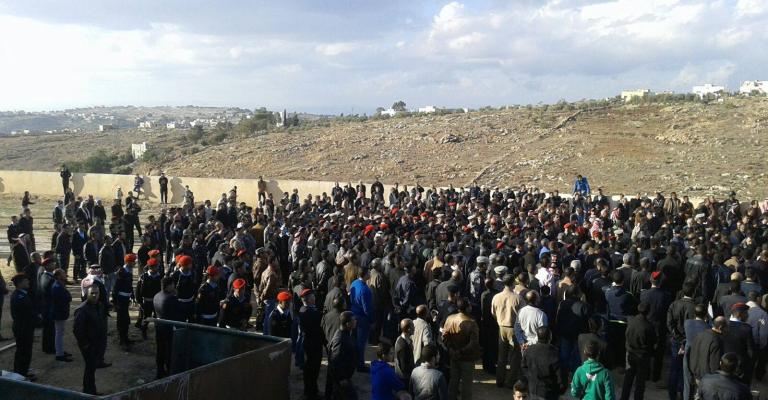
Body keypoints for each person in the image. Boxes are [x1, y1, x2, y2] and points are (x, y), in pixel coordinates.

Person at [442, 297, 480, 400]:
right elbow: (473, 343)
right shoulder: (472, 323)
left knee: (453, 382)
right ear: (467, 308)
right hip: (466, 358)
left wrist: (451, 349)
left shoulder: (450, 319)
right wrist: (461, 351)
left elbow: (444, 337)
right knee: (466, 386)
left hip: (453, 356)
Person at [73, 284, 108, 394]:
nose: (94, 295)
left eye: (96, 293)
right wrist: (85, 345)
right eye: (92, 293)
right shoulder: (82, 310)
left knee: (92, 368)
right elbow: (77, 330)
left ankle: (90, 390)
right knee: (90, 368)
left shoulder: (100, 305)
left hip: (98, 342)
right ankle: (89, 392)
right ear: (87, 294)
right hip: (89, 345)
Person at [492, 273, 523, 387]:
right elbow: (523, 315)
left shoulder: (496, 297)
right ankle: (510, 382)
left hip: (501, 327)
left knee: (501, 356)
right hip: (514, 329)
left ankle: (500, 380)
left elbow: (493, 313)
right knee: (515, 356)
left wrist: (500, 320)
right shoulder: (518, 298)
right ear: (512, 283)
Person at [621, 301, 657, 400]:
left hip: (630, 353)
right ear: (648, 311)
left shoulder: (631, 320)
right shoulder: (648, 326)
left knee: (628, 379)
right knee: (640, 383)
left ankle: (624, 397)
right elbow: (653, 341)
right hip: (642, 357)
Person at [522, 326, 563, 400]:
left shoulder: (529, 350)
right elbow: (559, 374)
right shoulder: (554, 352)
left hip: (532, 389)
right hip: (548, 391)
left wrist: (530, 378)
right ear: (550, 337)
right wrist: (560, 388)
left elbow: (523, 367)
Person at [298, 289, 325, 400]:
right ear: (308, 300)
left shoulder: (303, 309)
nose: (315, 298)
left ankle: (310, 391)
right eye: (313, 297)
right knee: (313, 370)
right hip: (314, 345)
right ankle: (312, 393)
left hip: (308, 344)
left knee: (309, 370)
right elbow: (319, 329)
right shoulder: (312, 314)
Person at [10, 273, 38, 381]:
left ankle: (22, 371)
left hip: (24, 327)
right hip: (23, 328)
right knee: (23, 352)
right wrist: (37, 317)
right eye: (26, 281)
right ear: (20, 283)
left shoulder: (21, 294)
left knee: (24, 351)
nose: (28, 282)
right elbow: (28, 313)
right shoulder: (20, 296)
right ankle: (21, 374)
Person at [154, 276, 182, 379]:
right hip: (168, 328)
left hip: (159, 326)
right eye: (173, 284)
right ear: (169, 285)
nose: (174, 286)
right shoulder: (171, 298)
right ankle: (169, 369)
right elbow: (178, 312)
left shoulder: (156, 296)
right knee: (169, 350)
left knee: (160, 350)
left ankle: (159, 370)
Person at [327, 311, 358, 400]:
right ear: (348, 324)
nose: (356, 321)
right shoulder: (340, 339)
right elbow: (335, 360)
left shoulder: (346, 334)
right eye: (354, 320)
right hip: (341, 379)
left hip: (345, 377)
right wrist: (341, 378)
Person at [689, 316, 727, 390]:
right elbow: (715, 364)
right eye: (726, 327)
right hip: (709, 379)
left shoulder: (700, 334)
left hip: (696, 373)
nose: (727, 329)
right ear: (720, 327)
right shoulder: (717, 341)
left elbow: (692, 353)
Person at [722, 303, 755, 384]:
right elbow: (750, 351)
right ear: (741, 314)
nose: (747, 316)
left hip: (724, 362)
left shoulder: (723, 324)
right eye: (746, 313)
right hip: (740, 366)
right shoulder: (746, 329)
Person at [349, 267, 373, 372]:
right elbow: (367, 308)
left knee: (354, 340)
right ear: (364, 275)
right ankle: (360, 365)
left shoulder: (354, 283)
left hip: (353, 315)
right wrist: (372, 320)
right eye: (368, 272)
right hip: (362, 318)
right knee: (361, 342)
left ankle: (354, 361)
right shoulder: (365, 289)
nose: (370, 274)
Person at [114, 253, 136, 350]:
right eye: (133, 261)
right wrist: (115, 303)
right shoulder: (121, 272)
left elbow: (130, 286)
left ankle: (125, 338)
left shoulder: (128, 271)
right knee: (122, 320)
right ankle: (122, 340)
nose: (135, 263)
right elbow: (115, 289)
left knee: (126, 320)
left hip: (126, 299)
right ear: (128, 262)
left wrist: (133, 296)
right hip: (121, 300)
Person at [135, 258, 162, 338]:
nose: (158, 268)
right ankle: (144, 331)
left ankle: (158, 332)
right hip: (146, 301)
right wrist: (139, 302)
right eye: (156, 266)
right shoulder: (144, 277)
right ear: (151, 267)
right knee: (146, 318)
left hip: (157, 301)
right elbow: (138, 291)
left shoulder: (159, 276)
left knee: (157, 318)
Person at [51, 268, 73, 362]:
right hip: (59, 313)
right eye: (63, 273)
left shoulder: (59, 284)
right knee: (59, 333)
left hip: (60, 312)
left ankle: (60, 351)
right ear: (58, 276)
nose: (65, 274)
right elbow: (66, 298)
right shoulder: (57, 287)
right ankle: (59, 354)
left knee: (60, 333)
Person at [38, 256, 57, 355]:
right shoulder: (49, 278)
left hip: (45, 307)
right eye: (52, 263)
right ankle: (50, 348)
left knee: (47, 329)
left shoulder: (44, 276)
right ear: (47, 266)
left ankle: (47, 347)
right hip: (49, 307)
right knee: (50, 329)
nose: (54, 265)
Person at [395, 318, 415, 383]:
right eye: (413, 326)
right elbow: (404, 367)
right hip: (403, 378)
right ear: (409, 329)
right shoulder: (402, 345)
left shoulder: (406, 340)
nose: (414, 328)